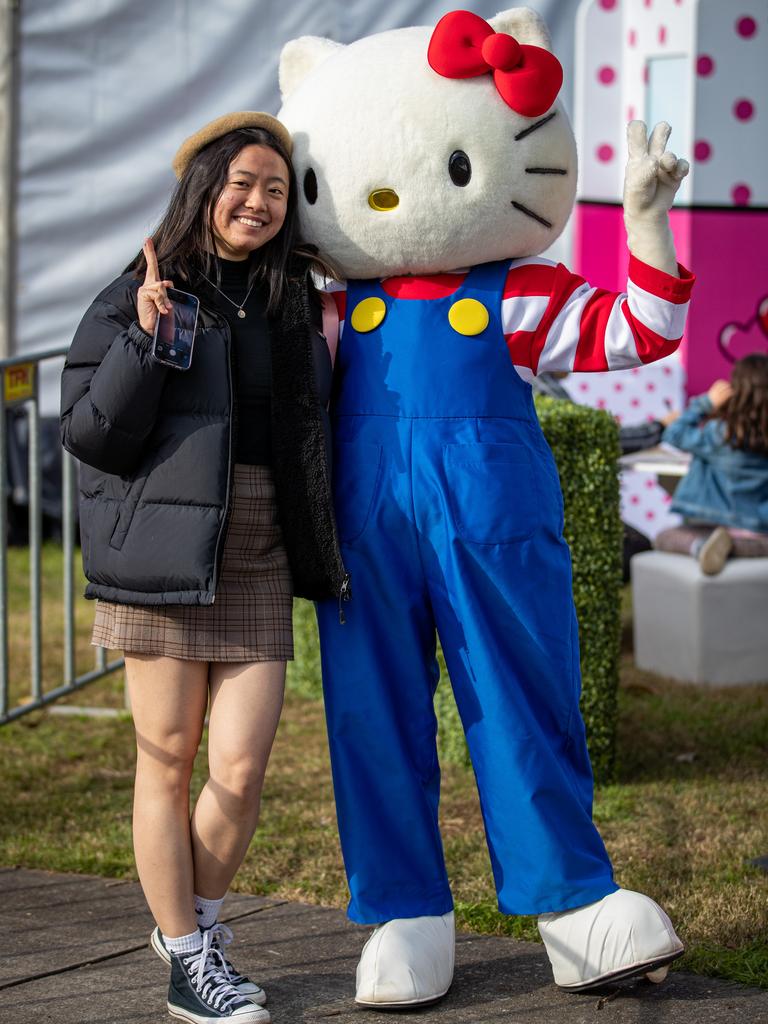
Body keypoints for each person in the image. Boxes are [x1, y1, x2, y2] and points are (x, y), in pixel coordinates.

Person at [60, 111, 346, 1024]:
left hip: (259, 542)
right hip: (164, 550)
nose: (257, 202)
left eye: (274, 189)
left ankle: (196, 929)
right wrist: (144, 340)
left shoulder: (294, 295)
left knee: (243, 766)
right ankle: (190, 958)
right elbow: (91, 435)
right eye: (241, 185)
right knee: (169, 760)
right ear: (204, 191)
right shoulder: (145, 284)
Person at [654, 354, 768, 574]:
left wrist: (706, 403)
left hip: (710, 524)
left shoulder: (719, 434)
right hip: (758, 526)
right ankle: (737, 546)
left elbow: (674, 434)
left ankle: (704, 547)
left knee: (665, 537)